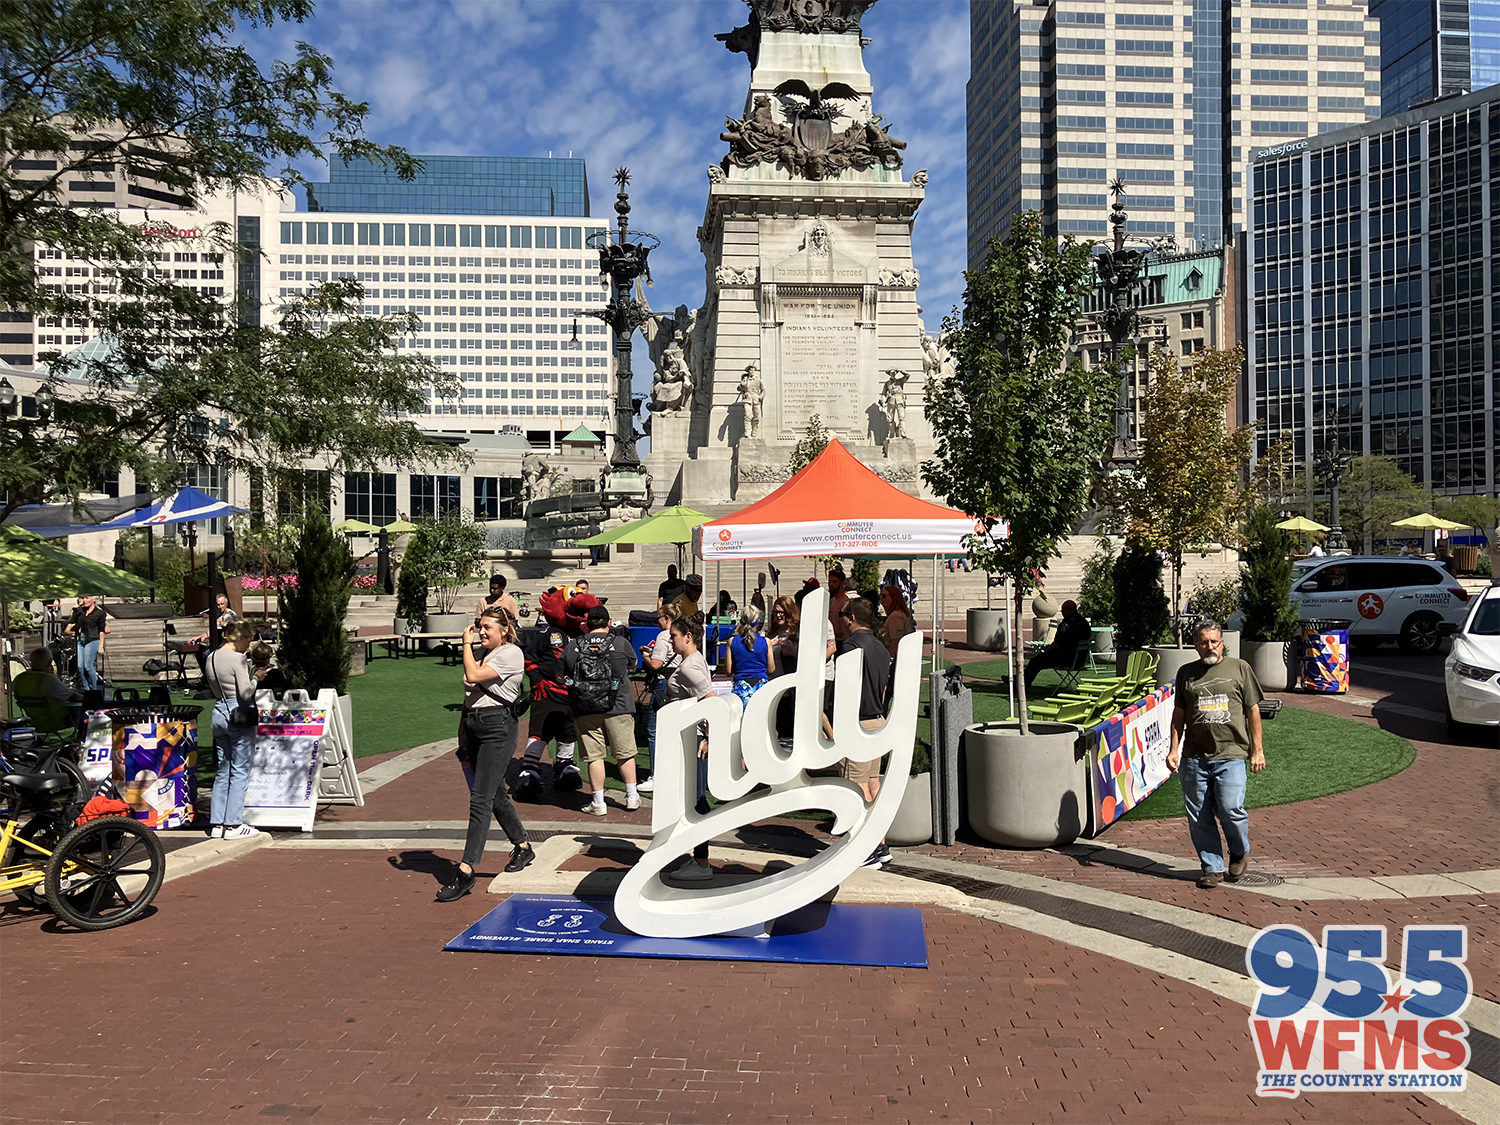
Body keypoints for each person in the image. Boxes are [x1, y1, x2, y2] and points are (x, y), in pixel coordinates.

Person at [438, 608, 536, 902]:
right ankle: (523, 846)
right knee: (494, 797)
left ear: (504, 630)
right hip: (474, 726)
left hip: (497, 729)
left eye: (487, 627)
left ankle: (466, 870)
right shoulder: (485, 653)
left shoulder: (511, 654)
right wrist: (462, 736)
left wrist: (465, 644)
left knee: (480, 799)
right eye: (479, 627)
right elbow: (469, 696)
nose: (481, 632)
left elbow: (472, 676)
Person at [1167, 618, 1266, 889]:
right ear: (1195, 645)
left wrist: (1257, 750)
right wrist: (1174, 749)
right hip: (1195, 756)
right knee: (1199, 815)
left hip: (1231, 753)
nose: (1210, 646)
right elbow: (1180, 714)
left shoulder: (1240, 668)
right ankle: (1212, 866)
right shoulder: (1186, 672)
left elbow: (1253, 711)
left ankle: (1238, 850)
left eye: (1214, 641)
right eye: (1203, 642)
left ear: (1222, 643)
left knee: (1230, 808)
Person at [824, 599, 893, 869]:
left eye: (841, 615)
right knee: (873, 784)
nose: (839, 619)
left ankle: (863, 850)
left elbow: (845, 690)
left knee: (856, 788)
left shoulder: (851, 647)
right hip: (877, 719)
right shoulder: (879, 646)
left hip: (858, 723)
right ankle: (880, 845)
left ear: (851, 618)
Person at [564, 605, 640, 815]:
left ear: (587, 624)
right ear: (608, 622)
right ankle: (632, 796)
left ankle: (598, 802)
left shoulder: (573, 645)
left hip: (585, 707)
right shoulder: (620, 642)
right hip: (619, 704)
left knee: (595, 756)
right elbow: (633, 664)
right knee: (624, 753)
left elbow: (562, 674)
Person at [662, 616, 718, 881]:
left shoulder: (690, 667)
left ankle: (702, 862)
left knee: (697, 801)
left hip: (694, 739)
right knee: (690, 800)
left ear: (688, 636)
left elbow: (711, 702)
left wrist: (708, 737)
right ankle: (697, 858)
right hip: (691, 738)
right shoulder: (692, 661)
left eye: (673, 635)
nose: (670, 639)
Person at [206, 621, 262, 840]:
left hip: (219, 711)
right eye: (248, 638)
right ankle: (234, 824)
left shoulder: (211, 656)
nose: (249, 643)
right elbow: (246, 692)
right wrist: (258, 676)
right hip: (238, 712)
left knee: (223, 769)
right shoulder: (238, 659)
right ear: (238, 637)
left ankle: (217, 822)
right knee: (240, 770)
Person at [515, 622, 583, 799]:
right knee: (540, 730)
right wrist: (538, 681)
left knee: (568, 731)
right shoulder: (549, 633)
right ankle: (529, 769)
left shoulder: (582, 633)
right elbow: (529, 658)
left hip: (573, 694)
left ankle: (564, 765)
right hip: (548, 692)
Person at [638, 606, 678, 794]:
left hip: (663, 683)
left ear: (667, 618)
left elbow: (656, 664)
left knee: (654, 729)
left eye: (659, 618)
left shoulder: (664, 636)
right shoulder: (682, 631)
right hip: (679, 682)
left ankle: (657, 775)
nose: (657, 622)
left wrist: (645, 656)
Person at [1023, 599, 1092, 688]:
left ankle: (1022, 684)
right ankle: (1019, 680)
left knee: (1036, 661)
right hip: (1080, 660)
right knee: (1038, 660)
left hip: (1065, 659)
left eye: (1062, 611)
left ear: (1067, 610)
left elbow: (1057, 644)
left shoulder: (1067, 624)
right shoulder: (1084, 622)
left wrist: (1048, 649)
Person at [12, 647, 82, 732]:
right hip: (56, 722)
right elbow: (73, 696)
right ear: (49, 663)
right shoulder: (48, 680)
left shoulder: (19, 679)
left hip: (33, 722)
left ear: (30, 662)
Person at [727, 610, 774, 707]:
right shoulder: (766, 642)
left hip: (741, 687)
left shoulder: (732, 641)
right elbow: (771, 669)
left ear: (741, 621)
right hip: (761, 687)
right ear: (758, 621)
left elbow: (728, 671)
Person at [64, 594, 109, 692]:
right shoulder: (80, 612)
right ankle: (86, 689)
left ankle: (95, 690)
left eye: (87, 598)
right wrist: (75, 611)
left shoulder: (100, 613)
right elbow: (71, 622)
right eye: (83, 598)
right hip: (81, 639)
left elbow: (102, 630)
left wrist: (101, 646)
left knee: (88, 666)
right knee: (80, 667)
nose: (84, 600)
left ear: (94, 599)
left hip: (93, 639)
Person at [880, 575, 915, 660]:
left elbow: (895, 641)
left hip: (894, 658)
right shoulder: (897, 614)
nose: (881, 599)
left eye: (884, 596)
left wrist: (890, 659)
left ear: (894, 598)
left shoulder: (895, 616)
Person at [826, 566, 851, 643]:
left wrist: (831, 635)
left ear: (842, 583)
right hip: (831, 640)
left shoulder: (846, 601)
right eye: (829, 581)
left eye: (834, 581)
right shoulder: (832, 600)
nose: (831, 584)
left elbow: (846, 625)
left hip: (842, 641)